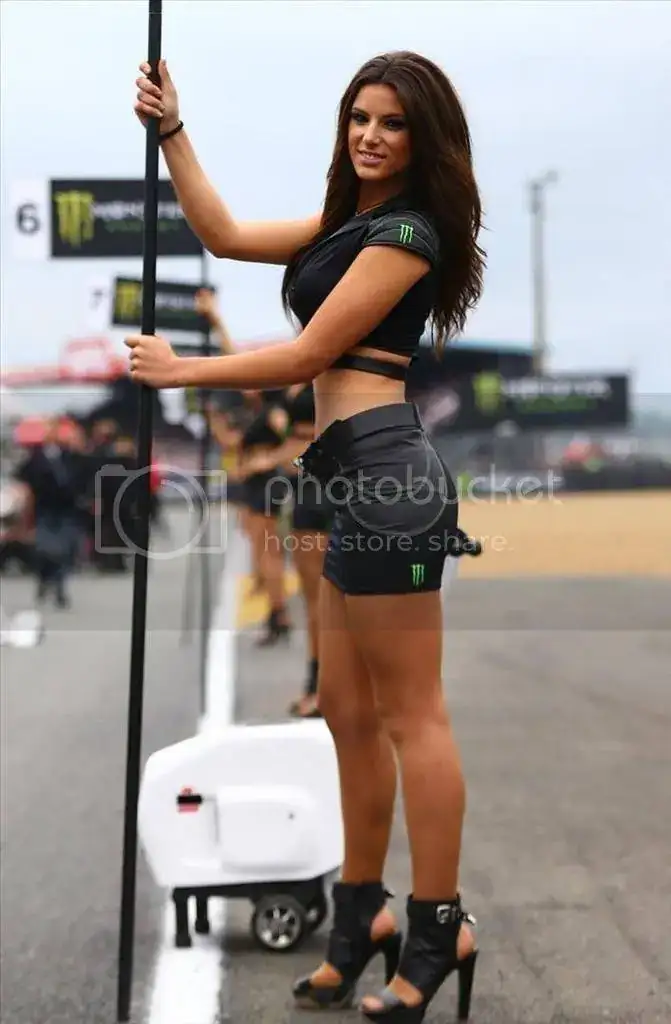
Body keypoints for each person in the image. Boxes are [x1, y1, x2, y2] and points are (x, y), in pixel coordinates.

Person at [131, 49, 485, 1022]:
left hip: (385, 474)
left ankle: (437, 922)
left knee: (413, 716)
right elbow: (223, 231)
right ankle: (360, 913)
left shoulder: (409, 231)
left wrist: (180, 370)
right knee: (340, 709)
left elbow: (306, 353)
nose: (368, 134)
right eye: (357, 117)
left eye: (390, 122)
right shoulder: (348, 223)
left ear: (422, 138)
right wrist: (171, 127)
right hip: (332, 478)